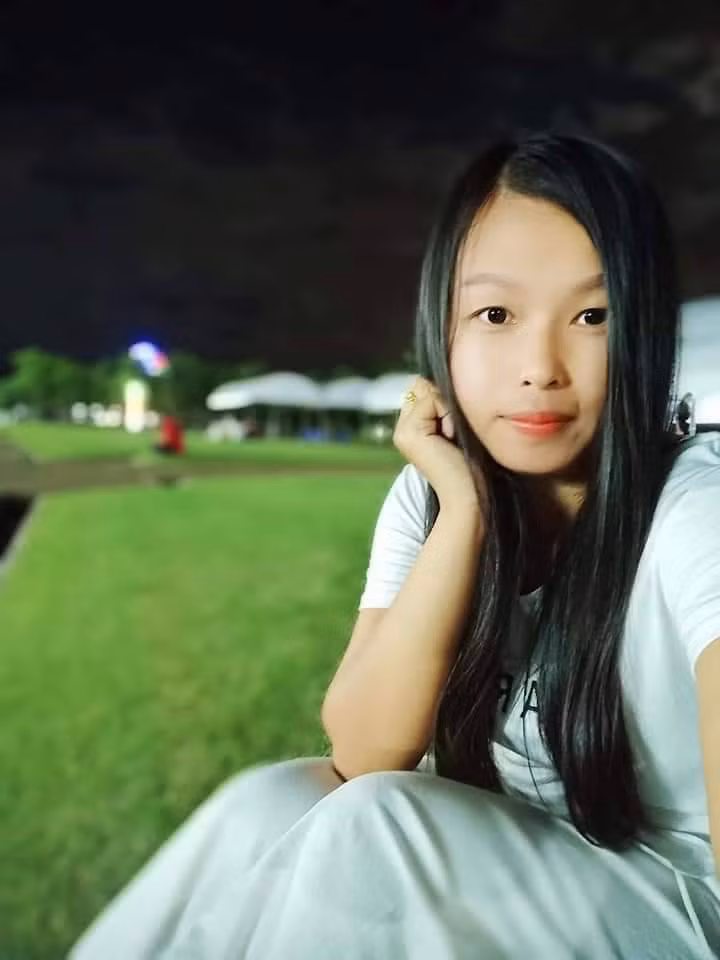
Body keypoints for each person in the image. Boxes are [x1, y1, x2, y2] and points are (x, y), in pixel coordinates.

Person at [69, 133, 720, 959]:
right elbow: (367, 748)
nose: (539, 367)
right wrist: (464, 512)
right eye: (495, 315)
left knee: (379, 826)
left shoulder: (695, 506)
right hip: (527, 859)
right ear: (442, 327)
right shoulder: (436, 491)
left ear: (646, 331)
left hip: (679, 905)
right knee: (265, 805)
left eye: (594, 316)